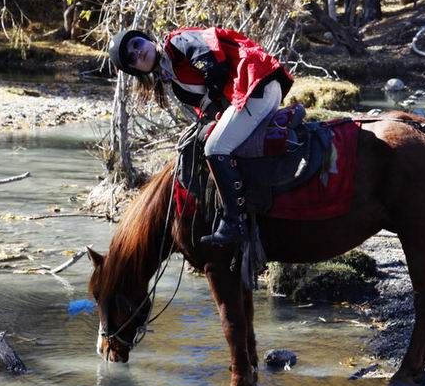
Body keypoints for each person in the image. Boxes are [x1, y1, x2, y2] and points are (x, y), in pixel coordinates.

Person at [109, 26, 294, 246]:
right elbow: (212, 109)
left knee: (215, 148)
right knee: (208, 140)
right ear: (137, 70)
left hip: (253, 85)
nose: (137, 52)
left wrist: (212, 95)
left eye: (136, 44)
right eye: (131, 58)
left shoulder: (177, 42)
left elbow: (213, 65)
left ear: (146, 39)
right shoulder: (173, 78)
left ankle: (234, 222)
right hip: (253, 90)